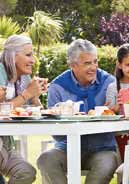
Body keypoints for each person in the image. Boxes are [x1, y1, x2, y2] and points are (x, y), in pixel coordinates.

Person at [37, 39, 118, 184]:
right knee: (46, 160)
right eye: (87, 63)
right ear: (73, 65)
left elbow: (117, 118)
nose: (93, 67)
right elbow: (54, 130)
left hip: (102, 148)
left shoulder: (109, 83)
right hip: (67, 149)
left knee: (107, 163)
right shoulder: (58, 87)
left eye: (95, 61)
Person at [0, 34, 48, 184]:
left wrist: (35, 96)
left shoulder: (24, 78)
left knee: (26, 172)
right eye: (28, 55)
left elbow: (34, 110)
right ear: (13, 56)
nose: (33, 60)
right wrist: (27, 93)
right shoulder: (0, 71)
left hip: (5, 144)